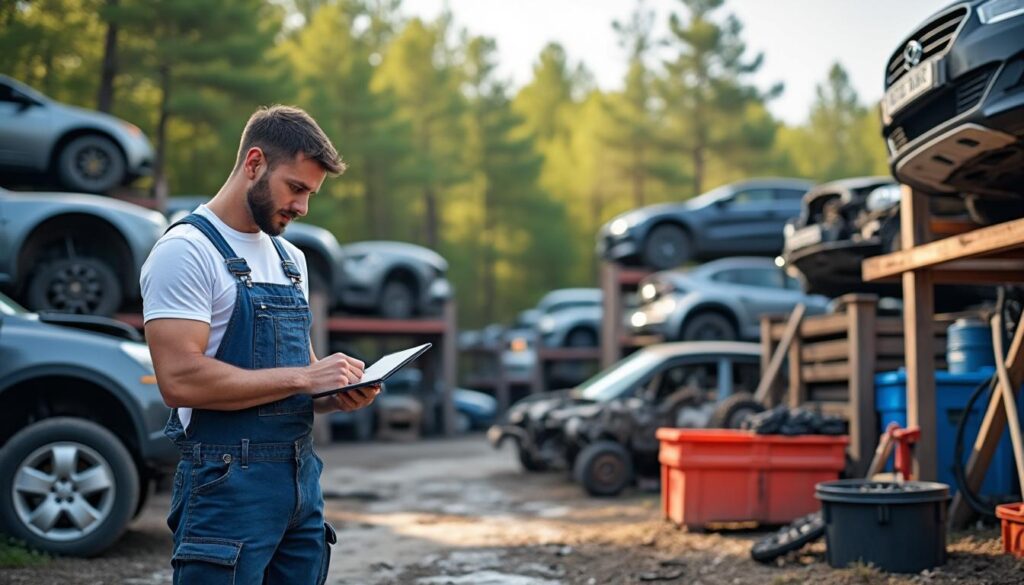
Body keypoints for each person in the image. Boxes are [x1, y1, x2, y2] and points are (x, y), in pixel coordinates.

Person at [141, 105, 377, 584]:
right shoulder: (186, 251)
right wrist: (306, 377)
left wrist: (335, 392)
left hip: (300, 483)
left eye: (311, 194)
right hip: (225, 487)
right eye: (296, 188)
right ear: (254, 164)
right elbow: (179, 380)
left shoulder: (291, 259)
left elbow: (294, 381)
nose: (303, 207)